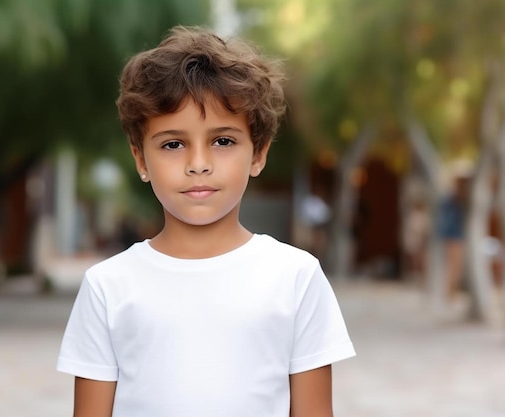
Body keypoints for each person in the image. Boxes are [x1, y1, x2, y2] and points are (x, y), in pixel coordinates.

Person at [57, 26, 355, 417]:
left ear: (258, 153)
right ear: (141, 160)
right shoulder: (108, 287)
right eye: (173, 144)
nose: (199, 163)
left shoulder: (296, 277)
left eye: (223, 141)